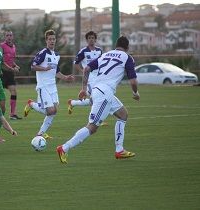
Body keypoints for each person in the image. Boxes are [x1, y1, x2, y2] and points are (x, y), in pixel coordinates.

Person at [56, 36, 140, 164]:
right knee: (92, 127)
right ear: (127, 47)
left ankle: (119, 150)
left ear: (116, 45)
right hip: (104, 94)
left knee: (123, 114)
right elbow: (133, 81)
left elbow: (87, 68)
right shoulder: (127, 58)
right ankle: (64, 148)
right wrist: (135, 93)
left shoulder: (105, 55)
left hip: (99, 90)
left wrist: (84, 88)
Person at [24, 29, 75, 140]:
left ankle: (40, 134)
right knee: (50, 110)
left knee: (54, 111)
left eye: (53, 39)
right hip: (43, 86)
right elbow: (33, 66)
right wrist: (44, 68)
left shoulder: (56, 55)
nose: (52, 41)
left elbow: (56, 72)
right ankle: (31, 104)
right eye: (50, 39)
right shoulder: (43, 53)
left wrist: (66, 78)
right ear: (46, 40)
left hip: (53, 86)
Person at [67, 31, 108, 126]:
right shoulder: (83, 51)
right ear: (86, 40)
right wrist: (83, 71)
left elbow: (102, 63)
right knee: (96, 99)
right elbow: (76, 64)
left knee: (94, 100)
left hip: (99, 78)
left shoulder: (99, 51)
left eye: (93, 38)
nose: (91, 39)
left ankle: (72, 103)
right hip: (89, 79)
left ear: (95, 39)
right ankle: (95, 120)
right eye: (89, 38)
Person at [0, 30, 22, 120]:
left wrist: (16, 66)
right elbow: (1, 61)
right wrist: (12, 68)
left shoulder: (13, 47)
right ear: (5, 37)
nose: (9, 37)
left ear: (12, 37)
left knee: (14, 92)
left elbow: (12, 61)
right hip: (1, 73)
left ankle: (12, 114)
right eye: (7, 35)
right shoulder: (1, 46)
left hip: (9, 74)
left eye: (10, 35)